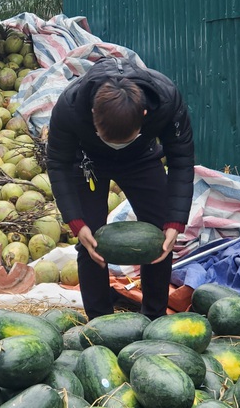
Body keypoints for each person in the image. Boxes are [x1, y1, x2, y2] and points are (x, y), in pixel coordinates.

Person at [46, 56, 194, 321]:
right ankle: (100, 322)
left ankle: (154, 318)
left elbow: (181, 160)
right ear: (93, 115)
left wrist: (176, 220)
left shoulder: (166, 101)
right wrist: (76, 223)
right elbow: (57, 164)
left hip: (141, 157)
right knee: (90, 240)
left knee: (162, 236)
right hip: (89, 160)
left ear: (144, 116)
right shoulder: (70, 107)